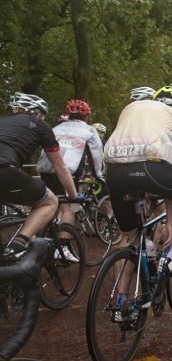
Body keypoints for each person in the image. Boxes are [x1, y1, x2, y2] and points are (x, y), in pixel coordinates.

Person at [104, 84, 172, 306]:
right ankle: (170, 256)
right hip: (151, 165)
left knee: (128, 236)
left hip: (114, 167)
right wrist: (171, 221)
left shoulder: (131, 109)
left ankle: (121, 302)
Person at [0, 93, 79, 259]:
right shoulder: (39, 125)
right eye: (42, 114)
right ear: (35, 112)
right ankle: (17, 247)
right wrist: (74, 196)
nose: (42, 118)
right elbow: (60, 166)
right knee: (49, 202)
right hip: (4, 169)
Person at [37, 99, 104, 260]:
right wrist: (99, 176)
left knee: (49, 204)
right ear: (87, 116)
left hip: (45, 170)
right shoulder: (88, 130)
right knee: (69, 208)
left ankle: (39, 240)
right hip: (67, 172)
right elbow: (96, 155)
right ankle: (64, 248)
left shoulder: (56, 128)